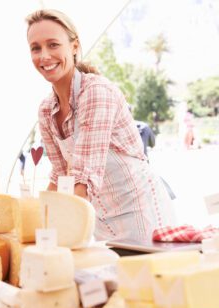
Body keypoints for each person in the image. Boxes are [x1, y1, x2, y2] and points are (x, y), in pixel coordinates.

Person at [25, 9, 175, 241]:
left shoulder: (96, 91)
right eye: (36, 48)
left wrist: (59, 235)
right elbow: (59, 175)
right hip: (98, 217)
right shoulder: (46, 110)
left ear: (74, 47)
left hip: (140, 212)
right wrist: (35, 225)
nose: (44, 56)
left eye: (53, 45)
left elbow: (84, 175)